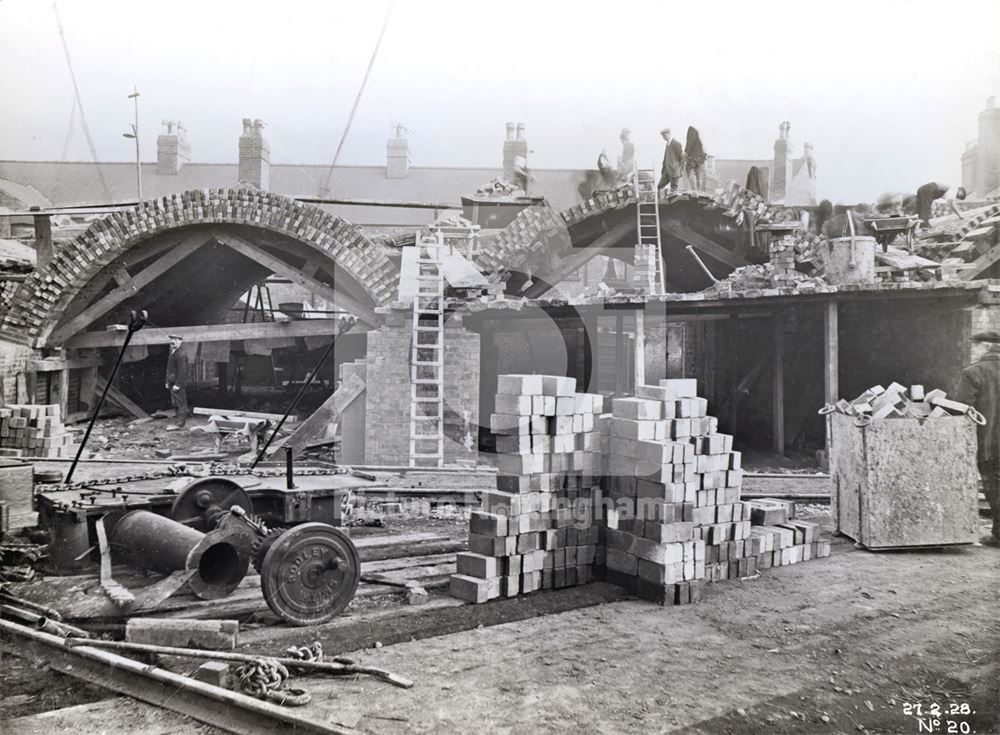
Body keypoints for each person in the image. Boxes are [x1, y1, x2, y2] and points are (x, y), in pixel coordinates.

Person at [956, 330, 1000, 546]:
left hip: (990, 444)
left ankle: (999, 536)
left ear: (985, 347)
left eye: (977, 346)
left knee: (995, 486)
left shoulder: (974, 372)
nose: (975, 351)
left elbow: (961, 407)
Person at [165, 334, 190, 430]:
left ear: (180, 341)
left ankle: (180, 424)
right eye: (172, 339)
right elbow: (169, 368)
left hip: (177, 384)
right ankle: (177, 422)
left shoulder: (181, 354)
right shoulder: (172, 351)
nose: (173, 341)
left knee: (181, 403)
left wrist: (178, 384)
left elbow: (183, 371)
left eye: (176, 339)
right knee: (175, 403)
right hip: (172, 382)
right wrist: (167, 381)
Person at [657, 127, 684, 194]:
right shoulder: (667, 144)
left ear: (669, 134)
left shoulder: (676, 143)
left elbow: (681, 158)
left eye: (665, 135)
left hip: (674, 170)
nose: (664, 137)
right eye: (663, 136)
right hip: (667, 170)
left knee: (674, 188)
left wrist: (678, 169)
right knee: (660, 186)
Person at [684, 126, 707, 193]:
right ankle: (698, 191)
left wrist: (686, 152)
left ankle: (695, 190)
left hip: (694, 156)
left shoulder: (691, 129)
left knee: (689, 168)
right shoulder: (699, 133)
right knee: (698, 173)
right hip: (701, 157)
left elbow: (690, 142)